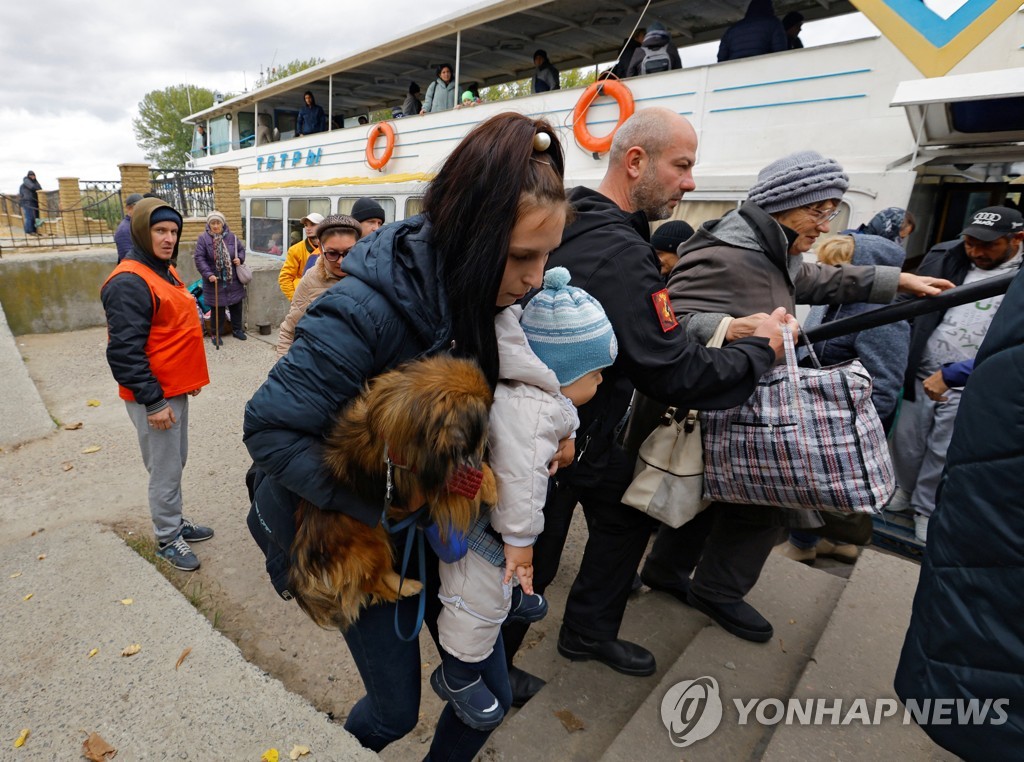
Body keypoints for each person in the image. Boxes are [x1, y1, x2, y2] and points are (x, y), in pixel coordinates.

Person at [244, 112, 571, 758]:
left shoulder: (488, 298)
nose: (536, 279)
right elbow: (270, 428)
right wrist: (391, 502)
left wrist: (549, 434)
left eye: (548, 257)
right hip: (350, 538)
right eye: (523, 257)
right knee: (393, 714)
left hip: (436, 532)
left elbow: (477, 422)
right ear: (474, 235)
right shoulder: (360, 311)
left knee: (488, 702)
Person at [500, 107, 792, 702]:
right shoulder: (621, 248)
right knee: (534, 559)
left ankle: (586, 632)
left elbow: (637, 334)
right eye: (682, 166)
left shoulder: (575, 218)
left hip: (584, 428)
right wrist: (761, 350)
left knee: (623, 523)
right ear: (635, 162)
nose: (690, 182)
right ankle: (492, 670)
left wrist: (723, 330)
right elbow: (670, 369)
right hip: (559, 439)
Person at [639, 150, 953, 644]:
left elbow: (813, 279)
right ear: (784, 205)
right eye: (820, 211)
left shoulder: (768, 250)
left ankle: (665, 572)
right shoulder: (725, 250)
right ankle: (717, 591)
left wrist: (897, 281)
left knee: (713, 497)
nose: (826, 226)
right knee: (762, 509)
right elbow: (670, 320)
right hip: (727, 402)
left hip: (740, 401)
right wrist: (732, 327)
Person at [433, 266, 614, 730]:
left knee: (496, 584)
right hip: (477, 526)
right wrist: (520, 540)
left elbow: (560, 413)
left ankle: (509, 589)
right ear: (562, 370)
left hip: (488, 513)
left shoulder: (539, 393)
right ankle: (458, 671)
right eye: (595, 374)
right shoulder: (530, 411)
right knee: (474, 601)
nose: (600, 385)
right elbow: (519, 481)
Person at [895, 268, 1024, 761]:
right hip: (989, 527)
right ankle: (909, 500)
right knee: (914, 447)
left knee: (939, 457)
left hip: (992, 513)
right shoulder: (955, 260)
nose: (974, 250)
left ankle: (922, 507)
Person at [774, 231, 911, 564]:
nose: (831, 278)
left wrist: (856, 433)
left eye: (838, 269)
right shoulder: (837, 304)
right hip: (824, 410)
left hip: (844, 419)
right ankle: (836, 542)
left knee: (817, 482)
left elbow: (885, 382)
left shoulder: (883, 316)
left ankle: (805, 543)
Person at [890, 205, 1023, 541]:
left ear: (1017, 239)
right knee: (908, 441)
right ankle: (902, 490)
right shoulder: (948, 258)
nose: (976, 251)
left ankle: (925, 508)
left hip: (972, 380)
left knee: (944, 449)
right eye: (970, 243)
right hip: (922, 370)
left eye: (988, 245)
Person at [100, 198, 212, 571]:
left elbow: (171, 331)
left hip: (172, 390)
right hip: (155, 396)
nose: (168, 238)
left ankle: (175, 521)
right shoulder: (129, 281)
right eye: (160, 231)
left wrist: (188, 379)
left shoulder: (163, 270)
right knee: (164, 468)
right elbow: (124, 354)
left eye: (174, 231)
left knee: (175, 461)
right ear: (141, 232)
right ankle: (167, 537)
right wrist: (153, 402)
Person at [276, 215, 362, 358]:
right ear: (321, 251)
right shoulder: (310, 281)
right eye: (332, 253)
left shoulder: (373, 277)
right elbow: (289, 332)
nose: (341, 261)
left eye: (349, 252)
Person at [193, 211, 248, 345]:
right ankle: (215, 334)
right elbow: (199, 258)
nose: (216, 226)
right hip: (214, 280)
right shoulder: (203, 239)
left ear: (223, 224)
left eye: (218, 223)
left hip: (232, 278)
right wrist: (208, 274)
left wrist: (239, 259)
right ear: (209, 224)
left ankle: (237, 330)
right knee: (218, 308)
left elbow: (241, 250)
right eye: (213, 223)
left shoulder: (232, 237)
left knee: (236, 305)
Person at [718, 0, 788, 62]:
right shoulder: (773, 23)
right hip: (763, 68)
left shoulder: (732, 29)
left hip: (736, 71)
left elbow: (721, 58)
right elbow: (781, 53)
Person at [278, 212, 323, 300]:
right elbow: (285, 278)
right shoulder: (295, 250)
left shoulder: (331, 247)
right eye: (306, 225)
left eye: (313, 225)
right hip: (304, 297)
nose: (308, 228)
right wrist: (295, 299)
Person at [115, 193, 145, 263]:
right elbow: (127, 259)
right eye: (139, 207)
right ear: (129, 208)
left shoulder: (138, 224)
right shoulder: (124, 230)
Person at [19, 170, 42, 236]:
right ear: (28, 176)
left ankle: (34, 231)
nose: (32, 177)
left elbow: (40, 188)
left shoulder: (35, 182)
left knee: (35, 217)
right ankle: (29, 231)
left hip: (34, 202)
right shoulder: (26, 183)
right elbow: (33, 187)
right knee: (30, 217)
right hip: (27, 202)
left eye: (33, 175)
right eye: (31, 175)